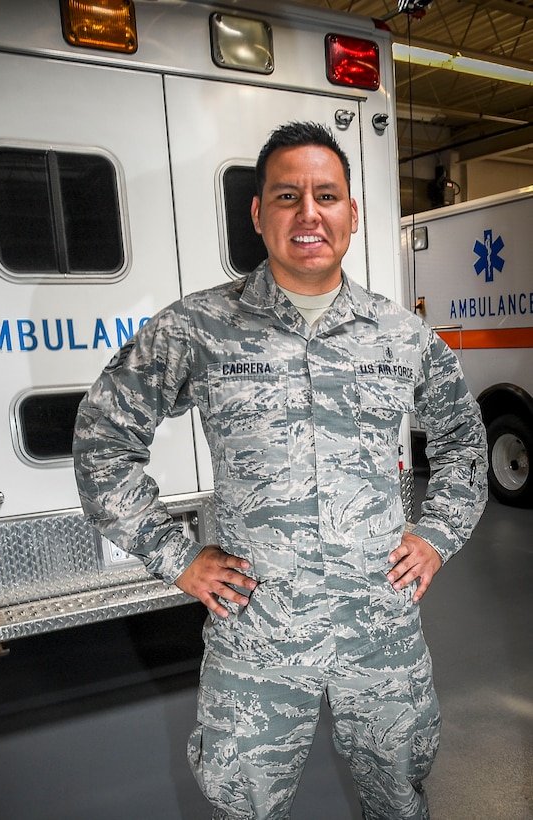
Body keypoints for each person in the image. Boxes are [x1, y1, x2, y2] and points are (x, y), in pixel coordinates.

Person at [72, 121, 487, 820]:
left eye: (327, 195)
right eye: (287, 196)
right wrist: (178, 557)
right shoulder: (197, 328)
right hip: (258, 633)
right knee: (245, 803)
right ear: (258, 214)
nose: (309, 213)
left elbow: (463, 444)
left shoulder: (401, 334)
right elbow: (102, 443)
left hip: (379, 630)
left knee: (400, 796)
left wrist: (436, 535)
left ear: (352, 215)